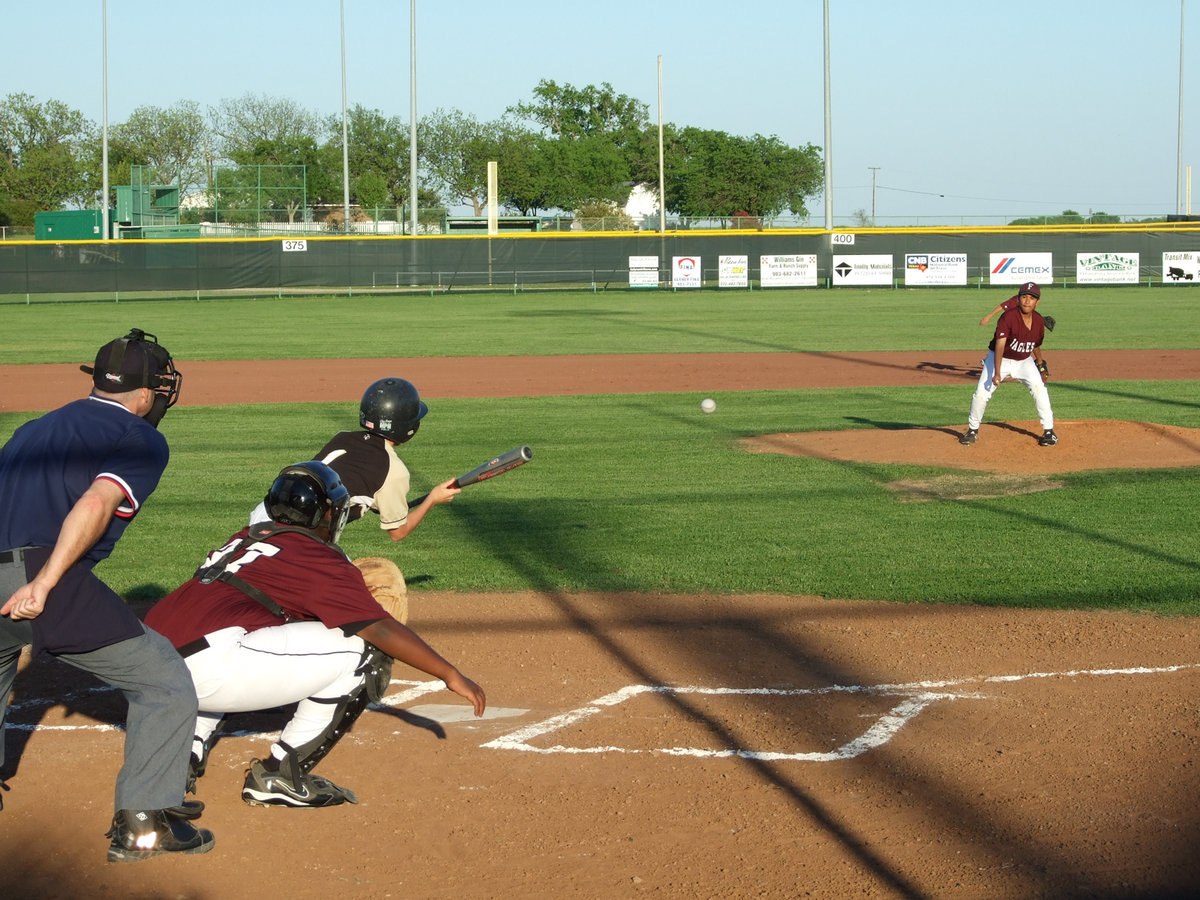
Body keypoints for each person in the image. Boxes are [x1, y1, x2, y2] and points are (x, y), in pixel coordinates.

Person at [144, 460, 486, 808]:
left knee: (230, 636)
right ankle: (282, 776)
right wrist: (450, 673)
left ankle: (181, 758)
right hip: (204, 672)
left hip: (146, 666)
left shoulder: (244, 539)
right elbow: (379, 628)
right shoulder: (315, 557)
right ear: (325, 515)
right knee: (366, 652)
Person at [0, 328, 215, 862]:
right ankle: (145, 823)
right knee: (164, 682)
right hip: (43, 576)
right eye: (160, 387)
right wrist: (44, 582)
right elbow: (97, 503)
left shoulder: (33, 429)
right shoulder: (139, 438)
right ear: (145, 392)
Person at [250, 377, 461, 541]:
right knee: (343, 581)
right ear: (407, 426)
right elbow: (398, 532)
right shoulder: (393, 469)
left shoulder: (343, 437)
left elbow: (357, 486)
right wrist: (432, 499)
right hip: (300, 531)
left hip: (267, 512)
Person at [960, 282, 1057, 447]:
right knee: (982, 393)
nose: (1027, 301)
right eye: (1024, 297)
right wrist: (997, 373)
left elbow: (1034, 344)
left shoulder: (1039, 321)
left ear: (1037, 302)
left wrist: (1041, 364)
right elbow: (1000, 345)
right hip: (1000, 359)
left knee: (1039, 389)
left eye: (1032, 298)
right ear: (1018, 299)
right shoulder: (1008, 317)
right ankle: (972, 430)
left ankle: (1049, 431)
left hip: (1024, 361)